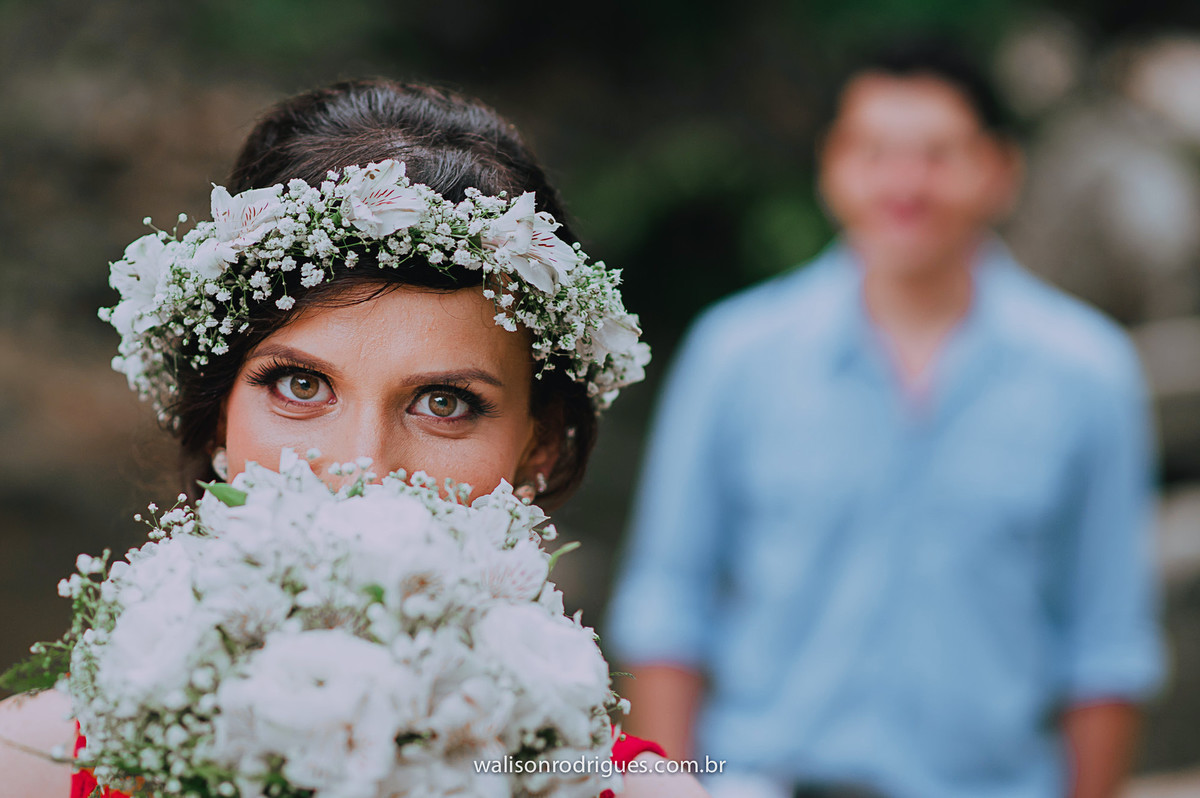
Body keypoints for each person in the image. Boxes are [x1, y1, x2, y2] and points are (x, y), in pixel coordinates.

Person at [0, 79, 707, 798]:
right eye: (300, 386)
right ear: (218, 413)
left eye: (444, 402)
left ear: (541, 444)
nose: (361, 471)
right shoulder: (28, 765)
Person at [605, 40, 1164, 798]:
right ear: (832, 164)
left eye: (937, 154)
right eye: (873, 151)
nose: (904, 183)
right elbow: (669, 606)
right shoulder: (735, 354)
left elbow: (1105, 649)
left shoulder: (1088, 374)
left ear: (1002, 171)